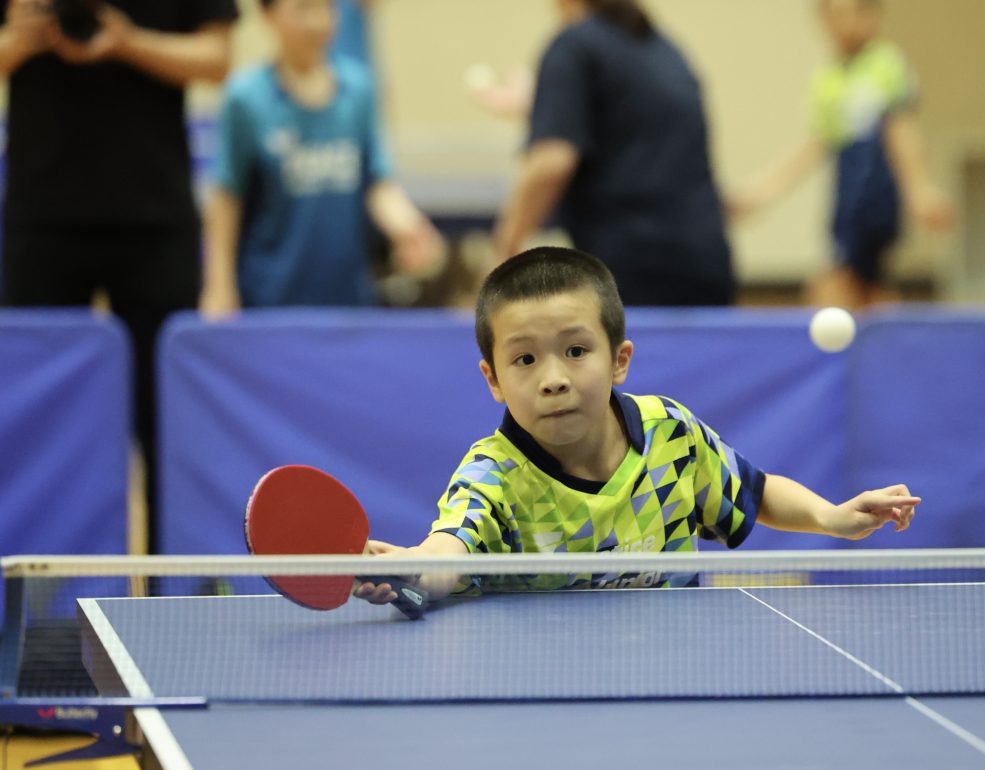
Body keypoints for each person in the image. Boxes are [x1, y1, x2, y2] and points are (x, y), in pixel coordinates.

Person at [356, 246, 919, 602]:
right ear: (493, 379)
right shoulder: (492, 475)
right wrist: (413, 566)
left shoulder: (671, 436)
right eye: (525, 359)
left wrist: (832, 517)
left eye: (576, 350)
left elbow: (757, 490)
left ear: (619, 359)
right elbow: (450, 549)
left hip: (677, 677)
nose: (553, 378)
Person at [0, 0, 239, 553]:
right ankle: (36, 598)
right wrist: (22, 37)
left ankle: (168, 594)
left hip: (157, 219)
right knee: (38, 425)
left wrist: (128, 41)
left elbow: (217, 58)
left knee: (166, 426)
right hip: (42, 220)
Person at [200, 0, 440, 313]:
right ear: (268, 15)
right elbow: (227, 198)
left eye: (326, 8)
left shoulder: (359, 89)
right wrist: (219, 287)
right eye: (302, 9)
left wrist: (407, 227)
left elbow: (376, 182)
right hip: (269, 298)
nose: (317, 22)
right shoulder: (245, 98)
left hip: (348, 297)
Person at [492, 0, 736, 307]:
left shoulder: (572, 45)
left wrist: (503, 253)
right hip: (706, 263)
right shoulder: (668, 52)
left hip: (629, 267)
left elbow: (552, 162)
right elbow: (628, 126)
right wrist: (541, 105)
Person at [727, 0, 951, 310]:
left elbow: (901, 131)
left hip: (875, 199)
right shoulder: (829, 77)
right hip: (845, 201)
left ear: (873, 16)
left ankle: (846, 357)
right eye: (832, 15)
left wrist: (919, 189)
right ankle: (888, 354)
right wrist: (762, 191)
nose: (841, 24)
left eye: (850, 13)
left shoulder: (887, 65)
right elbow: (816, 145)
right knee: (870, 294)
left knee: (831, 287)